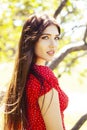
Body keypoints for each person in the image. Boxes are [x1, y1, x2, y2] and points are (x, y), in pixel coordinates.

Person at [4, 13, 68, 130]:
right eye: (45, 37)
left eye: (56, 38)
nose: (53, 45)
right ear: (32, 40)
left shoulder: (24, 75)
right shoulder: (44, 76)